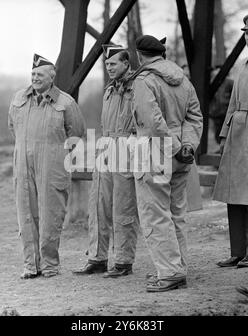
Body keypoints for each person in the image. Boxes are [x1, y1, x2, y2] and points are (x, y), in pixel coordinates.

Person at [131, 35, 203, 292]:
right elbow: (195, 117)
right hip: (182, 155)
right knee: (176, 214)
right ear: (161, 54)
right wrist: (187, 147)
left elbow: (152, 122)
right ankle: (177, 268)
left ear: (140, 55)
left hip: (154, 153)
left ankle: (170, 272)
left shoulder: (143, 80)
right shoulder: (183, 80)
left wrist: (172, 147)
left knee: (155, 214)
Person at [8, 54, 86, 279]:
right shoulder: (18, 99)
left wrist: (56, 154)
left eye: (40, 74)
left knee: (51, 214)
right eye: (32, 74)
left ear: (51, 77)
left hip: (52, 165)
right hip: (23, 165)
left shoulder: (66, 102)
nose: (35, 77)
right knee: (26, 214)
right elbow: (12, 127)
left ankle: (50, 265)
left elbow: (76, 134)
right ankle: (31, 266)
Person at [72, 45, 139, 278]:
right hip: (106, 147)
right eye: (107, 64)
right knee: (98, 205)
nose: (109, 68)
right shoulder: (110, 90)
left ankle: (123, 261)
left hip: (127, 149)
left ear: (126, 64)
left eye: (114, 63)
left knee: (123, 207)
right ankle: (97, 258)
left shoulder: (137, 87)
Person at [214, 14, 248, 269]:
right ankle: (238, 251)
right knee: (233, 195)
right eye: (247, 33)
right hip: (236, 134)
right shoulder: (243, 65)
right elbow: (232, 104)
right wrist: (224, 135)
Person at [209, 66, 233, 144]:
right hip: (215, 113)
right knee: (217, 133)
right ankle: (220, 146)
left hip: (226, 113)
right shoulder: (211, 82)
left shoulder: (229, 82)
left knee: (225, 133)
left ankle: (222, 147)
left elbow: (235, 96)